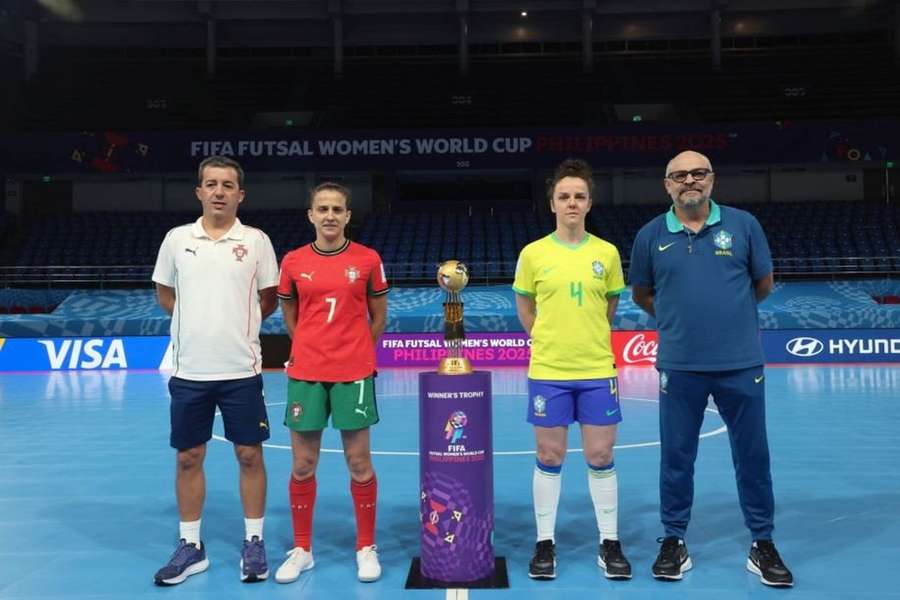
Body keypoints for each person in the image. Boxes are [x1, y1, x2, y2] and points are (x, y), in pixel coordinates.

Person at [629, 150, 794, 587]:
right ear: (667, 184)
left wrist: (728, 320)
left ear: (712, 180)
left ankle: (763, 542)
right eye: (679, 175)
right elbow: (642, 294)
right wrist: (677, 320)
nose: (690, 181)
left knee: (753, 456)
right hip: (680, 365)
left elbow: (763, 285)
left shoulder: (744, 226)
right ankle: (673, 539)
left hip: (740, 363)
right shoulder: (650, 235)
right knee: (677, 457)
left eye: (698, 173)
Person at [151, 155, 279, 585]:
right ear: (200, 191)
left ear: (240, 194)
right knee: (189, 457)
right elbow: (165, 294)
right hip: (190, 371)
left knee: (249, 454)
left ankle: (254, 541)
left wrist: (233, 331)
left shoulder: (258, 241)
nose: (219, 191)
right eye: (211, 184)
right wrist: (198, 325)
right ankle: (191, 546)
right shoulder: (175, 239)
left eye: (228, 185)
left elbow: (268, 300)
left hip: (241, 370)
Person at [512, 158, 632, 581]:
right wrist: (547, 338)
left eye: (579, 196)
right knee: (549, 455)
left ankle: (609, 542)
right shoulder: (534, 253)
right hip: (549, 370)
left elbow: (610, 306)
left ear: (589, 202)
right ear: (552, 204)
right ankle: (545, 543)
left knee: (601, 455)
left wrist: (587, 336)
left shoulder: (607, 253)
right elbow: (525, 307)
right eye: (564, 196)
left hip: (597, 368)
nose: (572, 203)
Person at [273, 182, 389, 584]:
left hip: (352, 373)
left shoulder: (368, 259)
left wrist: (355, 350)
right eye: (322, 209)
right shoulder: (291, 262)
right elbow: (290, 312)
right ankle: (303, 549)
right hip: (306, 372)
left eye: (337, 209)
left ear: (347, 215)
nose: (329, 216)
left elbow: (379, 316)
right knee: (303, 465)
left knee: (359, 463)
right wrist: (307, 345)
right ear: (310, 215)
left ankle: (366, 547)